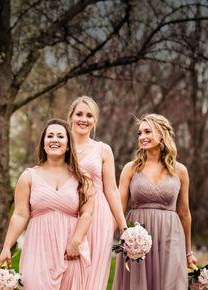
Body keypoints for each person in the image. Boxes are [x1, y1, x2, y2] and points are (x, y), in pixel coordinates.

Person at [0, 118, 94, 290]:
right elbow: (20, 214)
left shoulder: (83, 178)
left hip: (69, 249)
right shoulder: (28, 176)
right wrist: (7, 246)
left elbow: (87, 213)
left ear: (68, 144)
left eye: (60, 136)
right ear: (43, 143)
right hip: (38, 248)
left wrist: (76, 241)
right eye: (50, 136)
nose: (55, 140)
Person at [112, 114, 195, 290]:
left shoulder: (180, 171)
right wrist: (113, 237)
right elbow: (117, 207)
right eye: (139, 133)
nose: (142, 137)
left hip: (171, 237)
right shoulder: (131, 168)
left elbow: (184, 213)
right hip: (137, 239)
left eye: (147, 131)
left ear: (162, 134)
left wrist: (188, 252)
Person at [67, 96, 127, 289]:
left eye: (89, 115)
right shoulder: (62, 146)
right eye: (79, 114)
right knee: (68, 271)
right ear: (71, 117)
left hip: (98, 217)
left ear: (95, 121)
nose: (84, 119)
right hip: (68, 213)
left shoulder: (103, 150)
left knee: (93, 275)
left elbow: (112, 190)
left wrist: (123, 226)